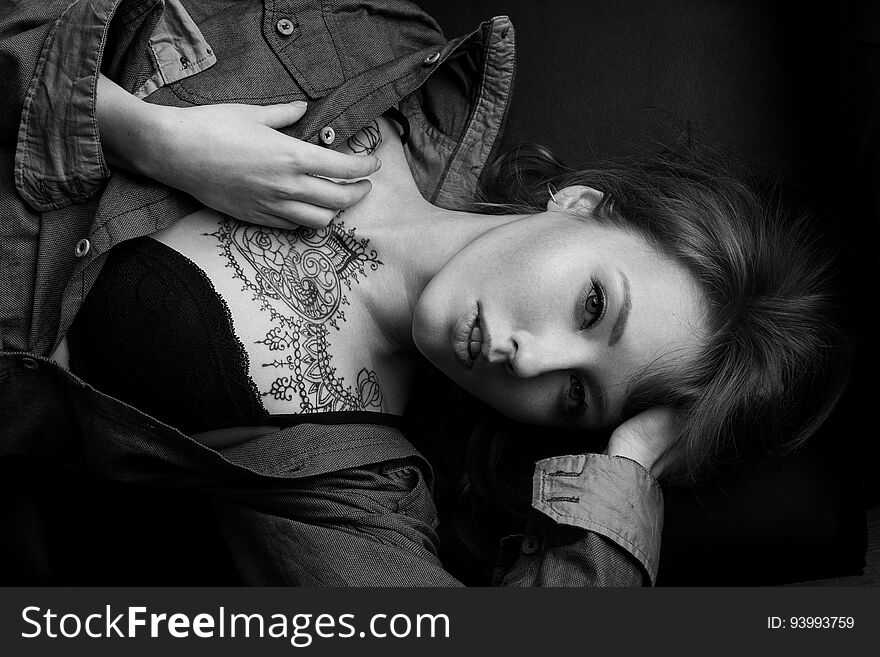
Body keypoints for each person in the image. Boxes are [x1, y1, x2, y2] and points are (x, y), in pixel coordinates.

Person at [0, 0, 849, 585]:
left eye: (577, 395)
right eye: (593, 305)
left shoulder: (353, 488)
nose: (530, 359)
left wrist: (624, 476)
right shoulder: (368, 43)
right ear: (585, 204)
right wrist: (145, 134)